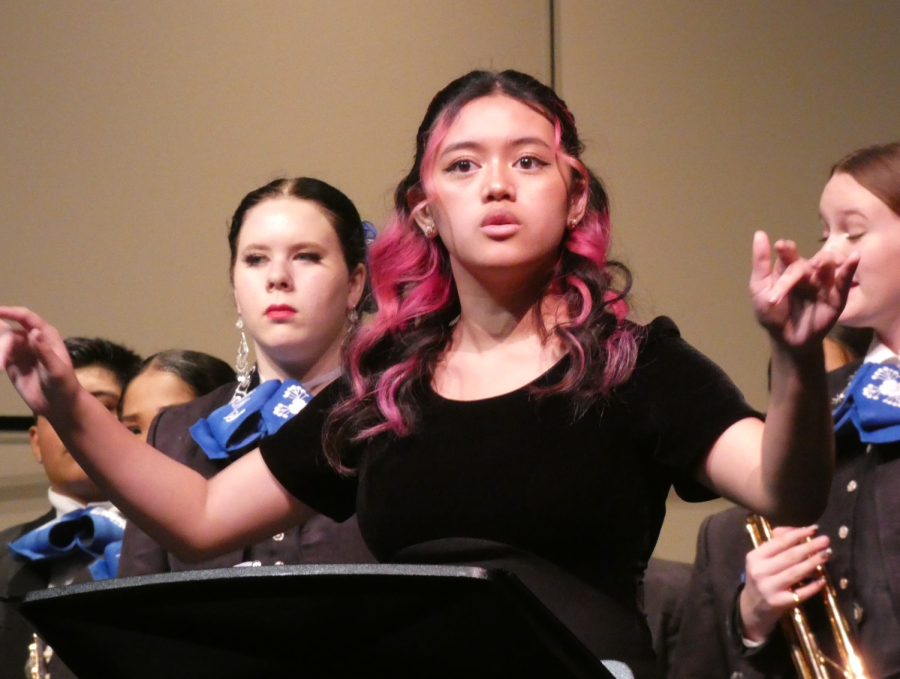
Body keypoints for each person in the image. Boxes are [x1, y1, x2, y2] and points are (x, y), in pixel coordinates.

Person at [0, 71, 857, 679]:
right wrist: (71, 405)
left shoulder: (633, 363)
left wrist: (795, 360)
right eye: (462, 165)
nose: (495, 184)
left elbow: (787, 489)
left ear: (575, 193)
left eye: (527, 161)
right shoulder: (387, 386)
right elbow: (203, 514)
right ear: (425, 208)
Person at [671, 142, 900, 679]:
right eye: (825, 235)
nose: (827, 257)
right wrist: (751, 620)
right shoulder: (825, 422)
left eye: (855, 232)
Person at [117, 180, 374, 578]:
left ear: (355, 283)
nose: (277, 277)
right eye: (255, 259)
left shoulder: (395, 415)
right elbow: (133, 604)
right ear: (236, 289)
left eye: (306, 256)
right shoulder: (175, 433)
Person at [0, 337, 141, 679]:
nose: (78, 421)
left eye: (102, 406)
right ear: (35, 442)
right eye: (59, 407)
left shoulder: (185, 544)